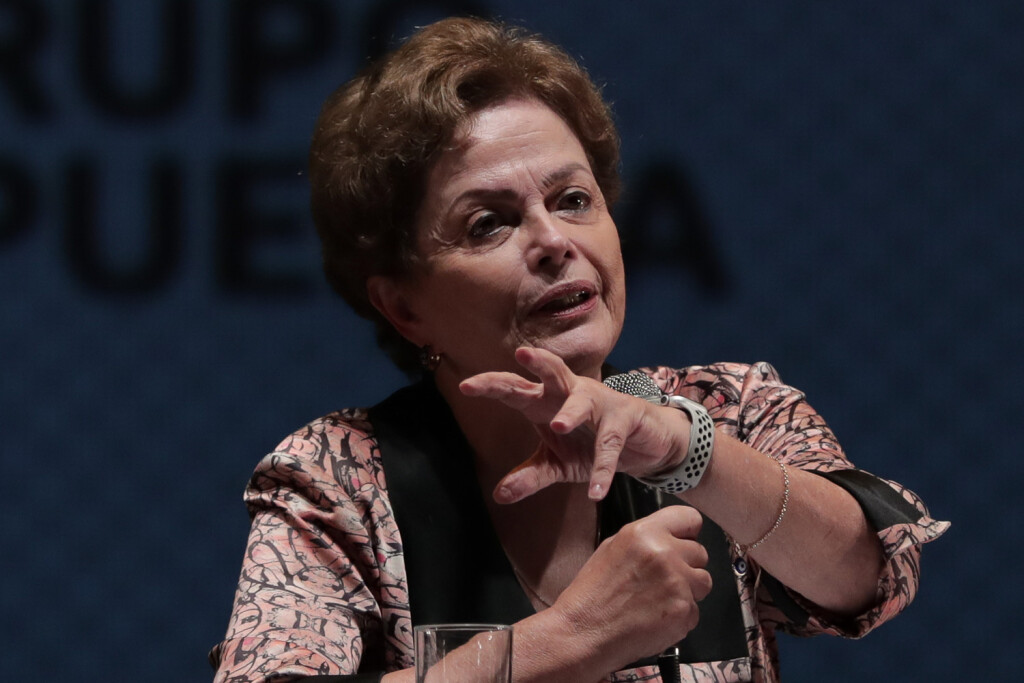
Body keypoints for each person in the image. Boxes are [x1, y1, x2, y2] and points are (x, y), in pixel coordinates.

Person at [210, 17, 948, 683]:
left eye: (573, 199)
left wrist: (684, 451)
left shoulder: (726, 408)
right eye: (489, 223)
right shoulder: (339, 480)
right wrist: (569, 638)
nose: (555, 242)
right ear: (404, 306)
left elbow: (874, 575)